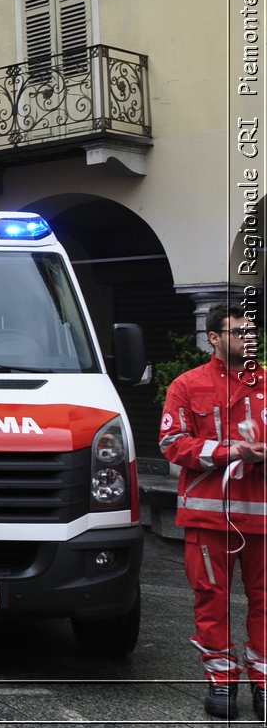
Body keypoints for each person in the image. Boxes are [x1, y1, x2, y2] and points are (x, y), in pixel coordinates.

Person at [160, 303, 267, 720]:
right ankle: (221, 681)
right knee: (212, 601)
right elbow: (171, 444)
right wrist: (232, 452)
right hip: (210, 518)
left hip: (263, 518)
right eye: (238, 331)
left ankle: (263, 683)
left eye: (252, 331)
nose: (248, 338)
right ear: (214, 339)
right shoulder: (187, 385)